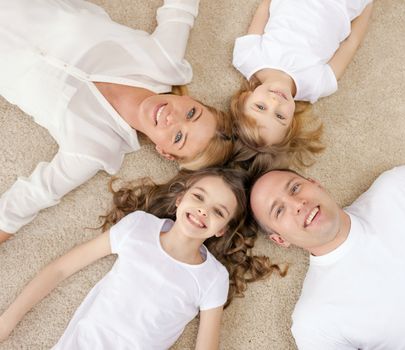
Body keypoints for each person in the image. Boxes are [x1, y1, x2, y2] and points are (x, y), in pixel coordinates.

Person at [0, 0, 234, 244]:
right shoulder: (164, 62)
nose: (172, 118)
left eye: (178, 137)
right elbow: (181, 7)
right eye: (191, 114)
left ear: (165, 152)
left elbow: (26, 201)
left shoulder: (94, 148)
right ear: (194, 100)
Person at [0, 167, 285, 349]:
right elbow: (61, 269)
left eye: (218, 211)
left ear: (221, 229)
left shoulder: (213, 278)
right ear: (179, 200)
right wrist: (8, 321)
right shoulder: (139, 227)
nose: (203, 211)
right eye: (198, 197)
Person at [249, 163, 405, 349]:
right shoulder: (315, 319)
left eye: (295, 188)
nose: (298, 204)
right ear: (280, 240)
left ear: (316, 184)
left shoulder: (396, 188)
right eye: (279, 210)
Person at [230, 0, 373, 168]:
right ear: (292, 122)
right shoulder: (317, 85)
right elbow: (351, 43)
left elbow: (264, 9)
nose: (274, 103)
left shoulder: (248, 58)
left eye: (260, 107)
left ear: (245, 98)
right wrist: (367, 6)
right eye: (280, 116)